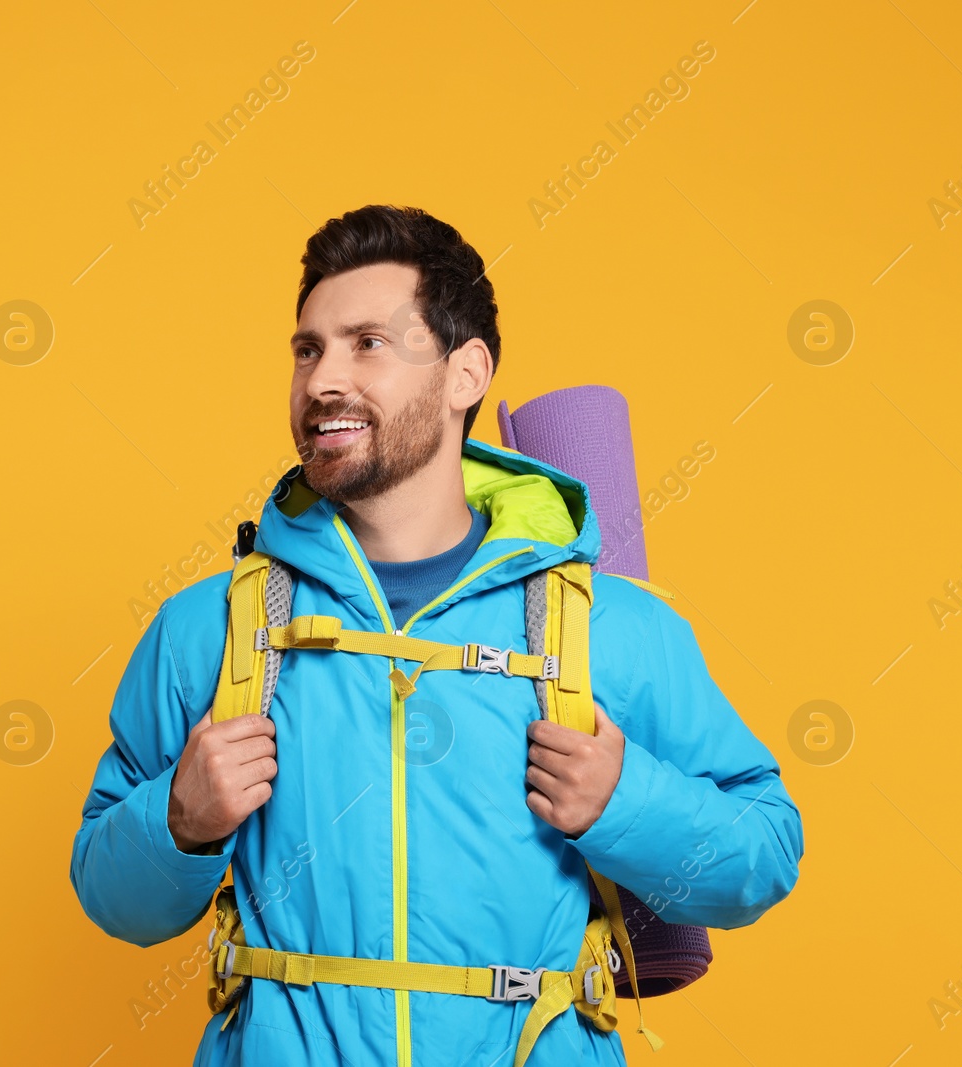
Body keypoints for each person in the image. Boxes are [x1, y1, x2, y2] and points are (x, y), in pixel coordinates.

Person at [69, 204, 803, 1066]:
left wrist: (625, 800)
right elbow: (111, 896)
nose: (322, 381)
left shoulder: (612, 625)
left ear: (465, 373)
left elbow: (763, 853)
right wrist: (178, 823)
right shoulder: (213, 625)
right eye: (308, 349)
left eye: (367, 343)